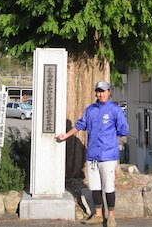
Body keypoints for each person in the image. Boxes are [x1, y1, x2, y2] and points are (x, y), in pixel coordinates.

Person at [56, 80, 129, 227]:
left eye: (104, 91)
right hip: (92, 156)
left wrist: (111, 141)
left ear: (109, 92)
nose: (101, 94)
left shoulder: (115, 110)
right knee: (95, 187)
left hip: (108, 156)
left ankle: (111, 217)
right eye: (99, 91)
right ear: (96, 93)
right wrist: (65, 135)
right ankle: (98, 215)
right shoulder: (90, 110)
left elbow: (123, 130)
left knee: (109, 187)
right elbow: (80, 125)